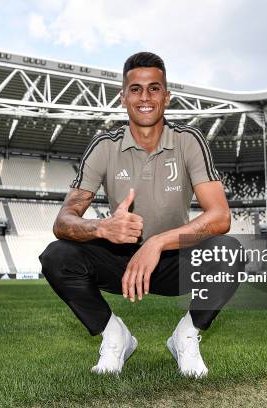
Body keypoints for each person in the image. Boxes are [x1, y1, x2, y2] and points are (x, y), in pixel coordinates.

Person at [39, 52, 241, 378]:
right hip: (120, 261)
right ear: (123, 96)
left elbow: (220, 216)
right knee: (57, 256)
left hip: (172, 258)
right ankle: (114, 335)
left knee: (229, 251)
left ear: (166, 96)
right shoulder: (105, 145)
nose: (144, 97)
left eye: (153, 88)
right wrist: (103, 228)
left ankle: (185, 337)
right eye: (135, 89)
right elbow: (63, 221)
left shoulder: (189, 141)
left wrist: (157, 242)